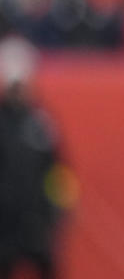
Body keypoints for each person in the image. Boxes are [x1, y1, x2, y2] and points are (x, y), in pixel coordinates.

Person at [0, 36, 62, 279]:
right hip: (4, 223)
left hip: (36, 221)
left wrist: (56, 209)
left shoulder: (41, 124)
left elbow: (56, 171)